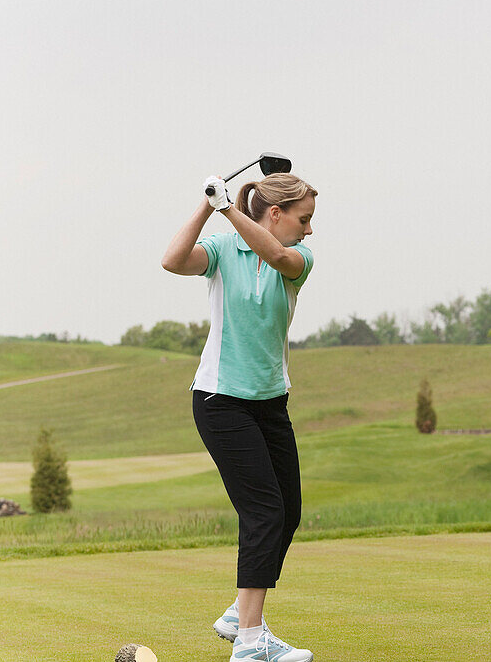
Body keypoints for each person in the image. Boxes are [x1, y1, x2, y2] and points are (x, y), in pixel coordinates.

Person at [161, 172, 318, 662]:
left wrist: (228, 206)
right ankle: (250, 644)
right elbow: (172, 261)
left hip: (271, 401)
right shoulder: (224, 250)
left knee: (286, 512)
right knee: (263, 512)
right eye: (304, 218)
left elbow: (277, 255)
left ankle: (238, 615)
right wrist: (207, 206)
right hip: (220, 399)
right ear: (276, 213)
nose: (310, 230)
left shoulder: (300, 259)